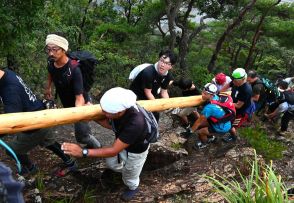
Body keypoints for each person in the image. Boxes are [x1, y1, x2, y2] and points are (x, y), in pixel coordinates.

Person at [61, 87, 150, 201]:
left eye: (105, 112)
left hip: (136, 152)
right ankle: (128, 171)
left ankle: (133, 186)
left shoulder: (135, 123)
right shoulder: (124, 109)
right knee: (111, 163)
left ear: (118, 112)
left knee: (130, 176)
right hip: (123, 143)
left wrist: (82, 152)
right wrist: (92, 115)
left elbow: (114, 150)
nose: (102, 113)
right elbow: (111, 125)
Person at [0, 68, 77, 176]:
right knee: (48, 142)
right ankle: (70, 162)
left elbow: (11, 122)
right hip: (41, 114)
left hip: (34, 125)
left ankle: (30, 168)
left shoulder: (9, 89)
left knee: (12, 150)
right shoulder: (6, 73)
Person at [44, 33, 101, 149]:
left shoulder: (74, 69)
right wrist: (48, 87)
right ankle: (90, 144)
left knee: (82, 136)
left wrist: (77, 114)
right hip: (67, 100)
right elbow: (51, 72)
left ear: (64, 50)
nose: (51, 53)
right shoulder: (51, 62)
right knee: (82, 132)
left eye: (55, 50)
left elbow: (79, 97)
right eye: (48, 49)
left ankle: (98, 148)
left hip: (81, 102)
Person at [129, 50, 177, 121]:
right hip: (136, 96)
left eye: (166, 63)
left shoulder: (168, 76)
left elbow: (164, 92)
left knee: (155, 116)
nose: (162, 65)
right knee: (137, 118)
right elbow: (148, 92)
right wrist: (158, 106)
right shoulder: (148, 72)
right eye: (161, 61)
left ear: (171, 66)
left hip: (150, 95)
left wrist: (168, 104)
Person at [190, 83, 234, 149]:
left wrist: (190, 131)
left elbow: (199, 121)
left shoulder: (209, 108)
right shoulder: (216, 97)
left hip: (221, 127)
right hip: (223, 122)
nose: (202, 94)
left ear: (211, 95)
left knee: (200, 132)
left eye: (205, 94)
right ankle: (211, 137)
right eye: (203, 92)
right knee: (200, 126)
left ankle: (204, 143)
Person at [221, 68, 253, 142]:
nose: (234, 82)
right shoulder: (236, 81)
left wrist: (223, 103)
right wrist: (220, 92)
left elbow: (239, 105)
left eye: (236, 81)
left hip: (240, 112)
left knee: (232, 126)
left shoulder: (246, 90)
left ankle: (233, 137)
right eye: (234, 80)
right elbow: (229, 85)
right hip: (232, 106)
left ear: (242, 79)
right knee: (228, 121)